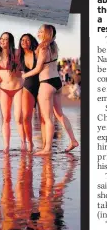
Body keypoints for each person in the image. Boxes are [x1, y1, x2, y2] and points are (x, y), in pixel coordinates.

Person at [21, 25, 79, 155]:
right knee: (59, 114)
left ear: (46, 34)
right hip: (57, 82)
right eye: (39, 30)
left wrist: (24, 75)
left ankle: (47, 148)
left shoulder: (43, 48)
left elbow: (37, 69)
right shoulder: (54, 46)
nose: (38, 33)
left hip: (46, 83)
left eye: (41, 31)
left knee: (47, 118)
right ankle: (73, 140)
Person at [0, 32, 24, 152]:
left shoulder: (16, 53)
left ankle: (23, 143)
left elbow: (23, 69)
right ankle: (6, 145)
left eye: (6, 39)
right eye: (1, 38)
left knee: (18, 118)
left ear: (10, 41)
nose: (3, 41)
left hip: (18, 89)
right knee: (6, 118)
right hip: (4, 89)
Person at [18, 33, 39, 152]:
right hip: (28, 87)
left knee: (43, 118)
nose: (24, 41)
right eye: (22, 40)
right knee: (26, 117)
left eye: (26, 40)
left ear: (31, 41)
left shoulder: (37, 52)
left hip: (41, 85)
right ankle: (30, 143)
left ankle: (47, 144)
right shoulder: (19, 56)